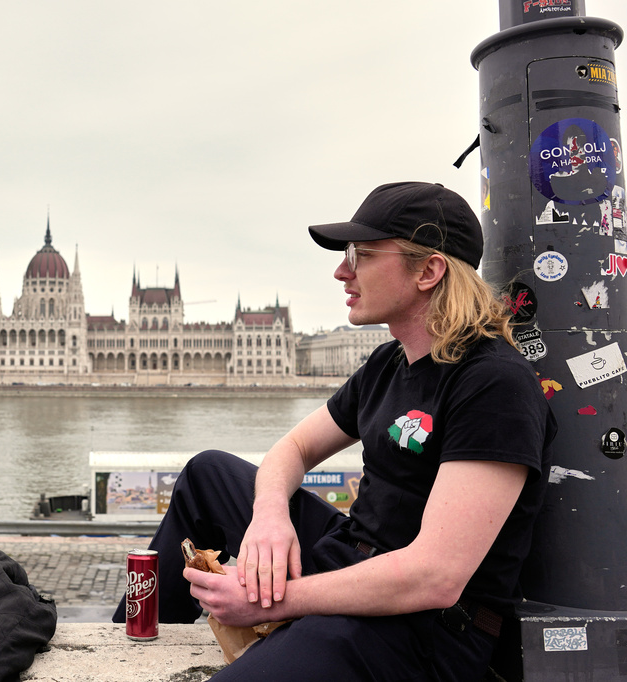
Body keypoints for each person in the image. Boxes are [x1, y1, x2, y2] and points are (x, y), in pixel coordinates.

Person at [112, 181, 556, 681]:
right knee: (207, 474)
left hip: (423, 628)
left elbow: (435, 578)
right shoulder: (390, 361)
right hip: (349, 555)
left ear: (428, 271)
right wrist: (270, 516)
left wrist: (271, 601)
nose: (342, 271)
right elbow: (295, 447)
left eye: (361, 255)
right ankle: (134, 644)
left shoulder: (494, 384)